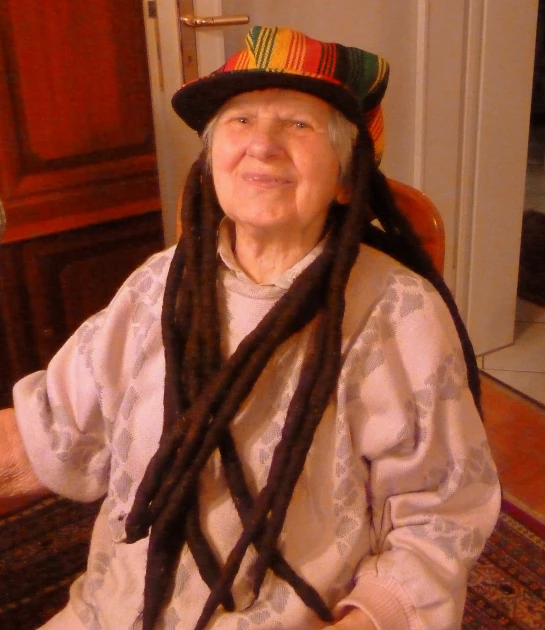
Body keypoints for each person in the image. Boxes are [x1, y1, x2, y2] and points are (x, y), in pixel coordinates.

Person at [0, 26, 500, 630]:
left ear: (346, 180)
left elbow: (441, 521)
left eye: (299, 124)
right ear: (212, 162)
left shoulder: (400, 314)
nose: (261, 144)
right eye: (240, 121)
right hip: (116, 610)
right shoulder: (158, 284)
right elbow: (52, 425)